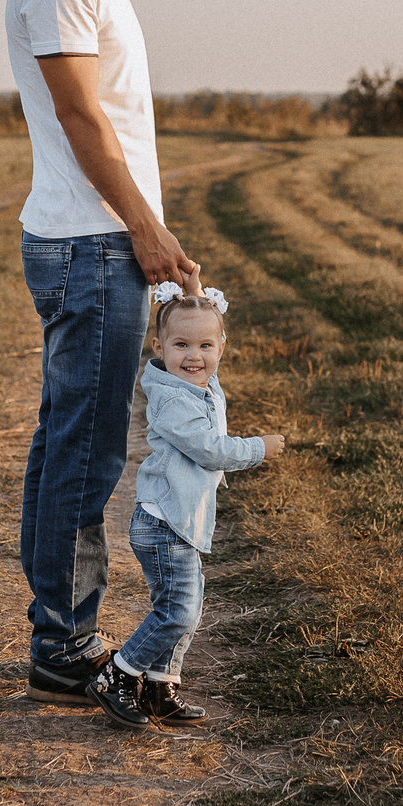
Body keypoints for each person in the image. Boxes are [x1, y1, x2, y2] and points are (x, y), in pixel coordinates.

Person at [6, 0, 200, 706]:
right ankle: (64, 642)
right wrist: (146, 230)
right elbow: (83, 119)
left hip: (99, 237)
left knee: (71, 441)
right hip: (89, 242)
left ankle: (60, 631)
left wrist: (148, 231)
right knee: (84, 451)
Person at [88, 284, 285, 730]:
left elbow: (201, 344)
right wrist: (258, 448)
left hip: (183, 520)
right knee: (177, 608)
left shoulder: (200, 384)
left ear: (221, 348)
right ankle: (117, 674)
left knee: (187, 607)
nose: (194, 356)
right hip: (163, 522)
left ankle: (160, 684)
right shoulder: (174, 399)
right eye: (180, 345)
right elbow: (210, 450)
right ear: (158, 348)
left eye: (205, 345)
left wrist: (193, 296)